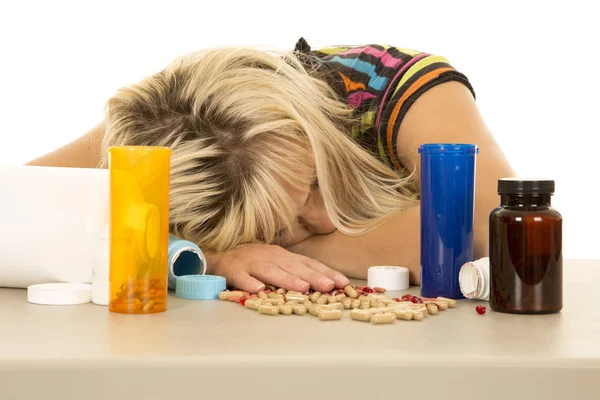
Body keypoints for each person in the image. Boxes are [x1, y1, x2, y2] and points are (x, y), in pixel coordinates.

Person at [27, 38, 515, 293]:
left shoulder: (397, 87)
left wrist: (293, 254)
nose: (324, 219)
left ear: (313, 131)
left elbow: (492, 228)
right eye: (286, 232)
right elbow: (19, 208)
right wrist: (205, 258)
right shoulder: (157, 126)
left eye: (316, 183)